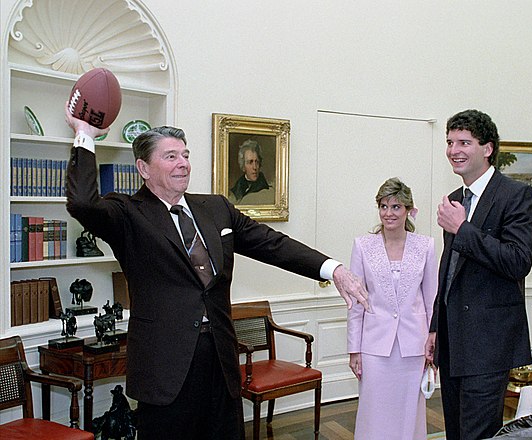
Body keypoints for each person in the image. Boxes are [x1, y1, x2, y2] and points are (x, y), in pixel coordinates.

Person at [64, 106, 368, 440]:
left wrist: (333, 269)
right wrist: (85, 135)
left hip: (221, 361)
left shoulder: (215, 208)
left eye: (185, 155)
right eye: (170, 156)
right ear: (143, 168)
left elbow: (272, 244)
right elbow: (82, 204)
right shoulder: (127, 215)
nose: (183, 163)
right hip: (166, 369)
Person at [425, 109, 532, 440]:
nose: (453, 150)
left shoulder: (518, 196)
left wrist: (463, 229)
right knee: (456, 433)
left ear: (487, 148)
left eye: (464, 142)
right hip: (452, 340)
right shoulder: (455, 199)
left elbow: (518, 262)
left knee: (477, 435)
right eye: (449, 142)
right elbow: (448, 268)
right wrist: (435, 326)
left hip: (489, 343)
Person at [347, 177, 437, 440]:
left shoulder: (426, 246)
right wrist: (354, 349)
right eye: (384, 206)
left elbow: (432, 299)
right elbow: (355, 302)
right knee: (374, 412)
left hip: (414, 347)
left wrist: (435, 344)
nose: (389, 213)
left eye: (396, 207)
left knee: (410, 412)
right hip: (374, 347)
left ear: (408, 209)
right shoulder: (363, 246)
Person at [229, 139, 273, 204]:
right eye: (250, 162)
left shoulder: (267, 192)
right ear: (243, 165)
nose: (254, 167)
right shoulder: (235, 192)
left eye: (257, 162)